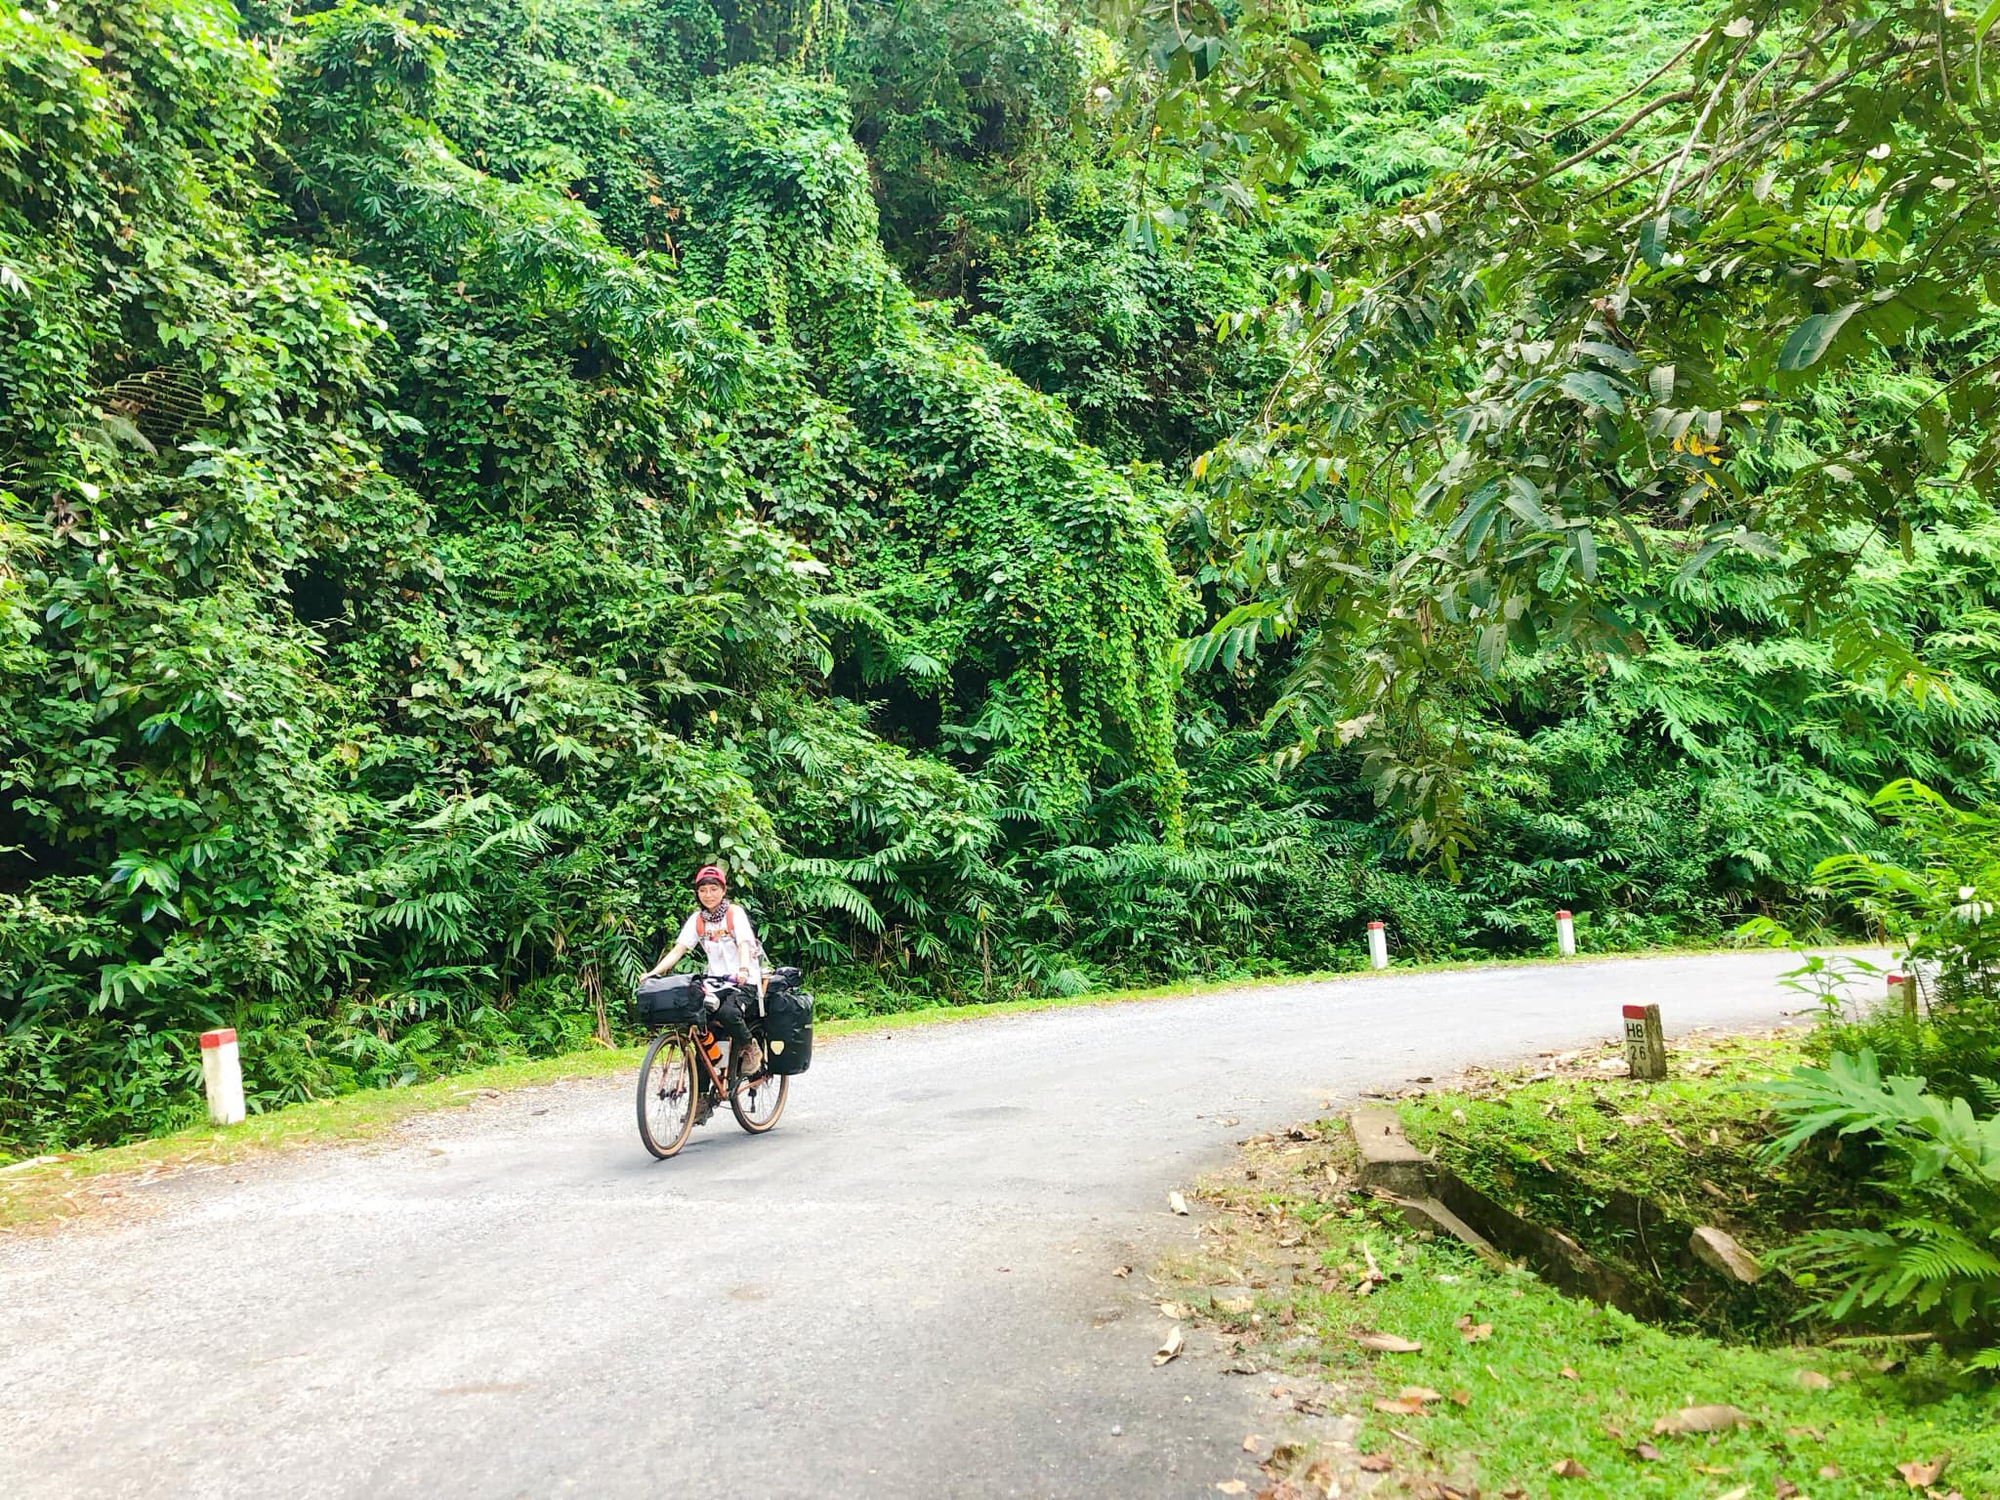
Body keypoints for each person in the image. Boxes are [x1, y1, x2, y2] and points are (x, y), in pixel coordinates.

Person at [643, 865, 765, 1094]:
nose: (708, 895)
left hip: (743, 981)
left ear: (723, 890)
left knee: (729, 1014)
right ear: (697, 893)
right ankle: (700, 1097)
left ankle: (750, 1048)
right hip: (715, 983)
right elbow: (678, 950)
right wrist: (654, 973)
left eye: (713, 889)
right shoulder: (698, 920)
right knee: (698, 1027)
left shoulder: (734, 913)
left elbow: (744, 944)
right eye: (703, 890)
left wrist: (743, 969)